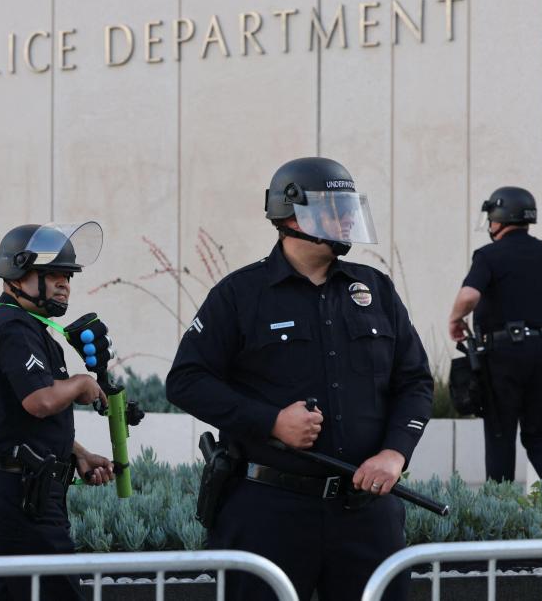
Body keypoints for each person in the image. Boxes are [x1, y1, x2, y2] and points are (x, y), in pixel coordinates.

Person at [166, 157, 433, 601]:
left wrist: (394, 453)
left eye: (350, 208)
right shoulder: (239, 295)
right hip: (268, 512)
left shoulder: (376, 290)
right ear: (289, 215)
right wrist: (269, 421)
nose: (347, 219)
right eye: (335, 208)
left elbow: (415, 382)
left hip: (366, 514)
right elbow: (186, 380)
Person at [0, 222, 115, 601]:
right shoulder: (13, 327)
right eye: (52, 275)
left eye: (68, 276)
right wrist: (81, 383)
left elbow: (17, 419)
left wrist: (77, 455)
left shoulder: (14, 323)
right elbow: (40, 401)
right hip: (17, 498)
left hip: (16, 488)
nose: (64, 284)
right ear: (18, 273)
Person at [447, 186, 542, 495]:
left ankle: (503, 512)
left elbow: (469, 295)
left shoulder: (488, 255)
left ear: (498, 216)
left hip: (503, 353)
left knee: (500, 434)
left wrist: (455, 319)